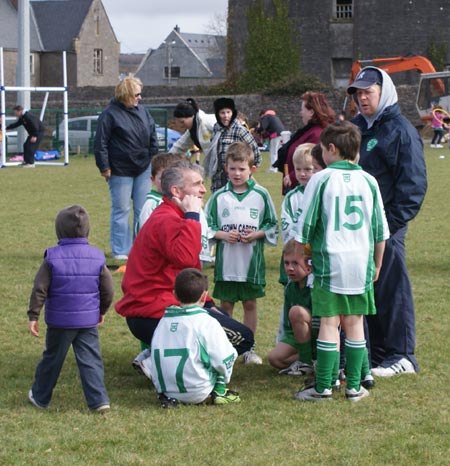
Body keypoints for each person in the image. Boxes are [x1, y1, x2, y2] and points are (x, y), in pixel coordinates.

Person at [115, 161, 254, 359]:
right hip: (152, 312)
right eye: (197, 184)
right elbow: (186, 259)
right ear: (176, 191)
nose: (204, 189)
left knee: (228, 325)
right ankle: (160, 361)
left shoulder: (171, 214)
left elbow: (187, 274)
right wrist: (192, 215)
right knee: (242, 338)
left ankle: (160, 357)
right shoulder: (168, 219)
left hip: (166, 305)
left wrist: (206, 303)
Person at [293, 121, 389, 402]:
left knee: (329, 323)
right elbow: (380, 231)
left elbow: (305, 225)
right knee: (355, 322)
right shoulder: (369, 181)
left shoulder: (321, 179)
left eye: (322, 149)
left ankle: (323, 387)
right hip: (361, 263)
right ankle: (354, 387)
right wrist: (378, 264)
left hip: (330, 262)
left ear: (331, 149)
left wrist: (301, 257)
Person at [348, 67, 427, 376]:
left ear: (384, 91)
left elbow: (414, 185)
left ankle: (402, 355)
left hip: (387, 228)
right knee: (370, 290)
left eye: (368, 92)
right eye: (358, 93)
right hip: (357, 229)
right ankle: (379, 352)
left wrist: (389, 226)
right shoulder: (356, 128)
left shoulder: (400, 130)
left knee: (392, 290)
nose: (362, 98)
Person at [27, 205, 114, 412]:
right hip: (87, 321)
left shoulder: (52, 257)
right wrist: (102, 310)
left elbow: (40, 288)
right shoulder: (97, 257)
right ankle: (99, 400)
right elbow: (108, 289)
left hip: (60, 322)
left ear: (59, 230)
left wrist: (33, 315)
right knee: (91, 360)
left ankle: (40, 397)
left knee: (52, 360)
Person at [206, 142, 278, 364]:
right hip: (226, 263)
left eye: (242, 169)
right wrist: (222, 235)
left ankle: (248, 348)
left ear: (252, 169)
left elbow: (272, 224)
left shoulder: (261, 194)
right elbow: (206, 226)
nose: (237, 173)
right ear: (226, 168)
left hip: (251, 263)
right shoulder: (219, 197)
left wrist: (256, 235)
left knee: (250, 303)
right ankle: (227, 347)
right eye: (232, 168)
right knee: (225, 305)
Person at [150, 268, 240, 406]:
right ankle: (219, 392)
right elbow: (223, 359)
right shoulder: (207, 322)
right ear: (204, 296)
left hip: (167, 392)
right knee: (226, 352)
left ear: (174, 294)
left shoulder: (163, 322)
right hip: (198, 391)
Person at [94, 76, 159, 260]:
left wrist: (154, 158)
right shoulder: (109, 114)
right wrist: (104, 167)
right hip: (119, 170)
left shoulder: (143, 112)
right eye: (137, 94)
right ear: (127, 94)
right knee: (121, 210)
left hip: (143, 168)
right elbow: (101, 142)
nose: (140, 98)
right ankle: (121, 250)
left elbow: (152, 133)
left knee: (142, 209)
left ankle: (141, 248)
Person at [268, 240, 318, 376]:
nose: (290, 268)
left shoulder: (316, 285)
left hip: (320, 335)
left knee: (297, 312)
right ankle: (311, 360)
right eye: (286, 263)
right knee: (274, 359)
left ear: (309, 264)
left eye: (295, 263)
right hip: (298, 335)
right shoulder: (290, 287)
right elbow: (288, 325)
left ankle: (307, 361)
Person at [275, 91, 335, 194]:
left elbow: (312, 161)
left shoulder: (316, 134)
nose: (301, 113)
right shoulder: (307, 131)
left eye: (302, 109)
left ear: (311, 112)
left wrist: (292, 177)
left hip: (304, 189)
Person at [205, 97, 261, 192]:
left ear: (233, 113)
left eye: (228, 112)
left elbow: (256, 154)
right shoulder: (216, 129)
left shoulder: (240, 130)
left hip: (237, 181)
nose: (226, 116)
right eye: (222, 113)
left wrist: (245, 172)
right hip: (218, 180)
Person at [279, 142, 316, 285]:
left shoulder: (323, 193)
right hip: (295, 253)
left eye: (308, 169)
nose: (302, 173)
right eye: (298, 169)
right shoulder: (292, 197)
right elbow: (286, 223)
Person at [136, 152, 182, 233]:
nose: (168, 182)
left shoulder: (180, 200)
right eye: (162, 178)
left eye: (173, 177)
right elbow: (146, 236)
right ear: (153, 179)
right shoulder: (152, 205)